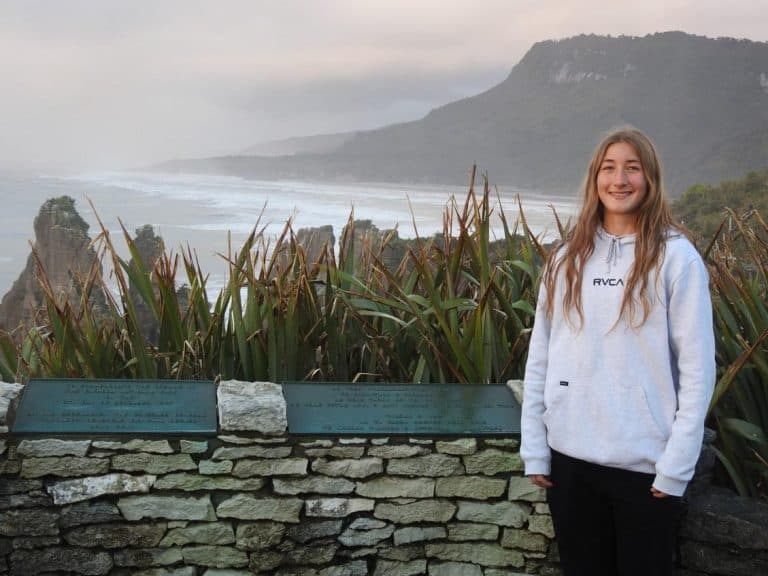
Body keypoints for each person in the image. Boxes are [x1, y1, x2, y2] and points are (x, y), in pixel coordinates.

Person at [520, 127, 715, 576]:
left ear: (650, 178)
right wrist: (536, 446)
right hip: (569, 463)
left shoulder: (676, 258)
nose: (619, 179)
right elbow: (541, 356)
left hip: (645, 470)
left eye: (632, 168)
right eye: (609, 168)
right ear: (595, 179)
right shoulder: (566, 257)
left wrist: (675, 467)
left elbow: (697, 370)